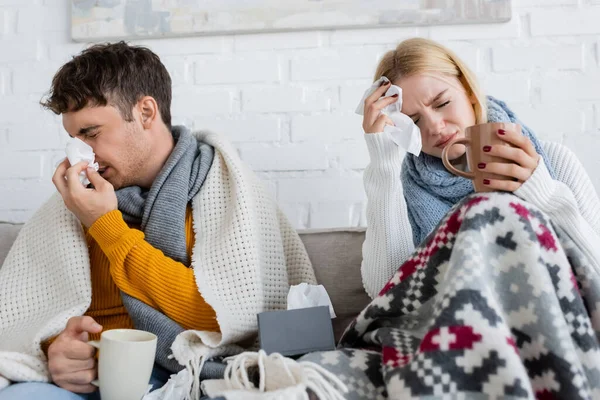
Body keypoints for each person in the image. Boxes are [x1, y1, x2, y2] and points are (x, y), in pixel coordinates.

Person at [0, 42, 316, 400]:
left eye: (90, 133)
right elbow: (26, 322)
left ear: (146, 112)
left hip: (182, 371)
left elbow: (221, 320)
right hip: (91, 380)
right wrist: (57, 350)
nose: (81, 156)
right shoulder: (71, 204)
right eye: (73, 139)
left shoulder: (226, 191)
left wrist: (107, 226)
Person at [360, 37, 600, 298]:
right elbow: (384, 295)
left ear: (468, 91)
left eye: (442, 103)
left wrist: (541, 191)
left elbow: (595, 272)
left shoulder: (553, 161)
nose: (435, 127)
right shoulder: (399, 191)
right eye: (414, 121)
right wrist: (383, 165)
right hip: (461, 330)